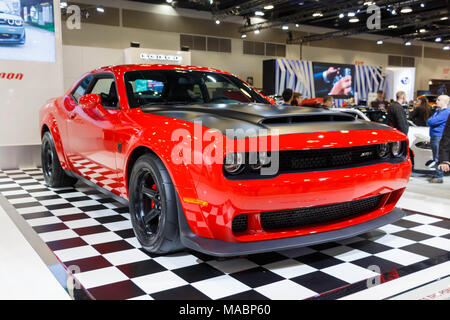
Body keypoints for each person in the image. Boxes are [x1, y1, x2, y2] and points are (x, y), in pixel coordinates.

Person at [427, 95, 450, 183]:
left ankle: (439, 176)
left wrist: (431, 121)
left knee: (438, 157)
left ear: (445, 102)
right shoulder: (438, 112)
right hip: (435, 136)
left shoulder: (446, 112)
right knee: (435, 157)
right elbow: (428, 121)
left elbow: (432, 121)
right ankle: (437, 173)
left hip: (439, 137)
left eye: (439, 100)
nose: (436, 101)